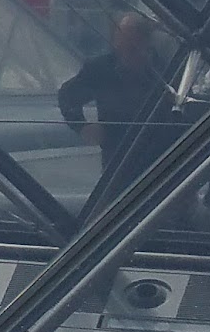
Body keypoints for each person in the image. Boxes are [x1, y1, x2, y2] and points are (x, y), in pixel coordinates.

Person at [59, 12, 179, 220]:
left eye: (132, 45)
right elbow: (68, 95)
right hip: (117, 159)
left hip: (159, 160)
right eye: (120, 42)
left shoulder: (166, 71)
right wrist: (81, 125)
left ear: (146, 43)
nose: (125, 51)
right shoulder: (100, 69)